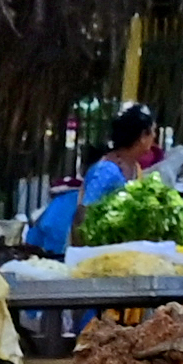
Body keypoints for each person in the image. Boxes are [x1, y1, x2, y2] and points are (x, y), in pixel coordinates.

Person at [30, 103, 168, 255]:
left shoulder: (135, 168)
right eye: (152, 131)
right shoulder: (107, 171)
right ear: (142, 136)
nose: (154, 136)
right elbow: (82, 216)